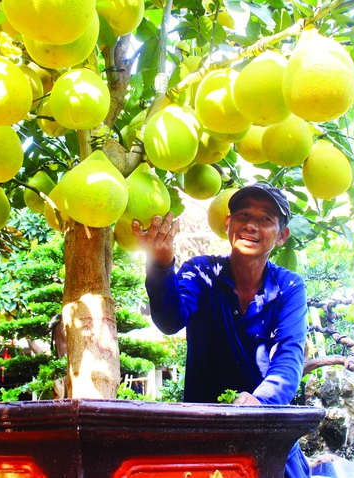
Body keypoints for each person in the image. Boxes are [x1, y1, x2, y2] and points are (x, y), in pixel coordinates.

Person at [132, 182, 310, 478]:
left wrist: (260, 401)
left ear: (282, 236)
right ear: (229, 224)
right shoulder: (201, 272)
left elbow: (289, 355)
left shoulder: (289, 287)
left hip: (267, 431)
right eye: (243, 215)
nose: (251, 225)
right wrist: (162, 266)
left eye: (265, 218)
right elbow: (170, 320)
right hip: (205, 438)